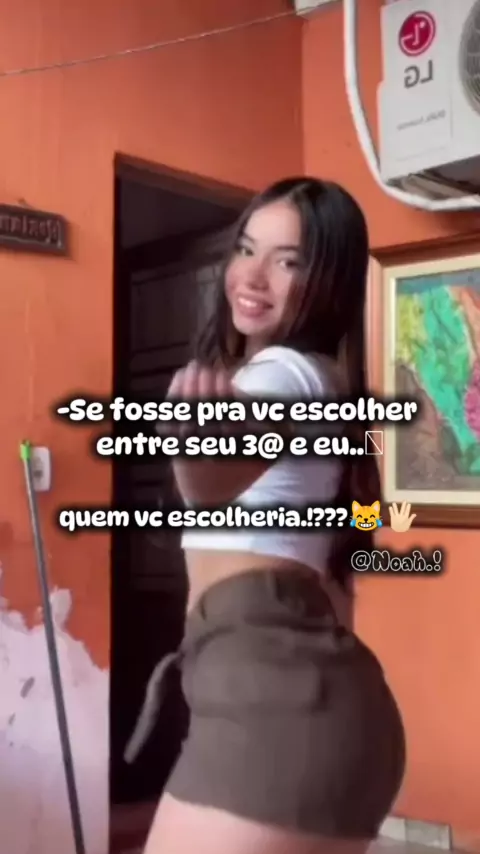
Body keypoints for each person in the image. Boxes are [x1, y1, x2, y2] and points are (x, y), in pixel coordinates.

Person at [126, 177, 406, 854]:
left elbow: (217, 479)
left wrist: (194, 450)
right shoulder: (325, 382)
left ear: (328, 281)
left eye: (288, 261)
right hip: (312, 714)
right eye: (246, 249)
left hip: (279, 718)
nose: (251, 277)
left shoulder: (284, 375)